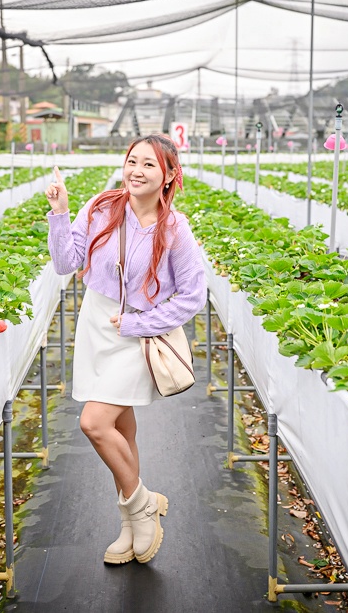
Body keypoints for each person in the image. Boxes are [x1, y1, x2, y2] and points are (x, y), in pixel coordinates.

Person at [44, 134, 207, 565]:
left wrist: (138, 322)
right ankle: (131, 523)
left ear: (169, 174)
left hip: (137, 333)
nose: (136, 170)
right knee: (124, 429)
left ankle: (141, 506)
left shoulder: (175, 230)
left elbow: (193, 296)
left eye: (149, 165)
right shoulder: (101, 207)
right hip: (97, 323)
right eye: (132, 161)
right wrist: (59, 213)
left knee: (95, 423)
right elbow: (66, 263)